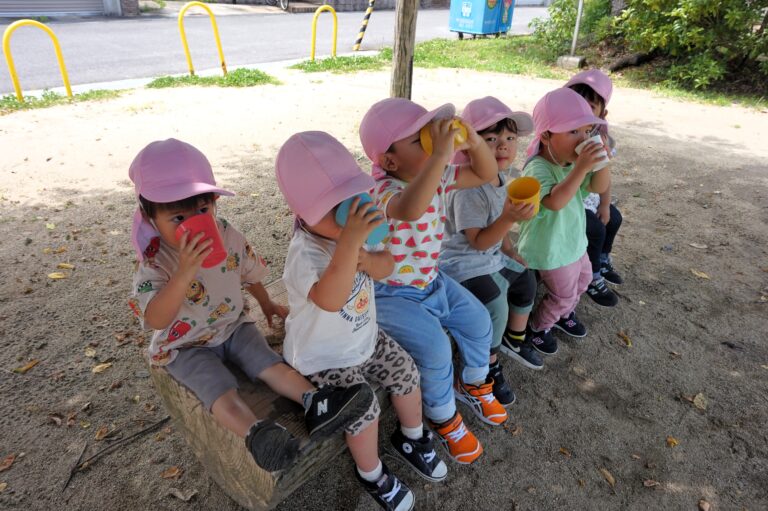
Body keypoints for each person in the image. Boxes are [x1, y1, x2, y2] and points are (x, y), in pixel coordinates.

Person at [128, 138, 373, 472]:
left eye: (203, 210)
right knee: (218, 389)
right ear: (150, 216)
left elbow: (246, 270)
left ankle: (317, 402)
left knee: (267, 362)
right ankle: (258, 434)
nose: (196, 222)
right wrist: (184, 272)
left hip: (232, 324)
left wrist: (266, 302)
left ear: (214, 202)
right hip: (184, 345)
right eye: (178, 217)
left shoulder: (225, 233)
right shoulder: (155, 262)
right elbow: (158, 319)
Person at [275, 131, 446, 511]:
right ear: (302, 214)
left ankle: (413, 436)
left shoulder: (356, 231)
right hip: (324, 356)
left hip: (364, 338)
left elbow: (388, 265)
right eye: (332, 205)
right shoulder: (307, 252)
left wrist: (367, 258)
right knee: (364, 409)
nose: (347, 210)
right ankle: (372, 474)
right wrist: (351, 243)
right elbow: (331, 300)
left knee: (406, 371)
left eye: (350, 197)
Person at [359, 98, 502, 465]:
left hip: (430, 280)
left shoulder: (436, 173)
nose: (430, 140)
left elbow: (485, 173)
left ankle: (473, 382)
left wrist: (472, 141)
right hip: (390, 293)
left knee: (478, 320)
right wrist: (439, 157)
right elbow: (410, 208)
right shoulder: (382, 189)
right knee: (436, 349)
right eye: (418, 138)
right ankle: (443, 416)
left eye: (430, 132)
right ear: (390, 161)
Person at [440, 97, 543, 409]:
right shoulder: (468, 188)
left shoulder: (501, 177)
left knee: (526, 278)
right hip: (461, 263)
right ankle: (490, 362)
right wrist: (509, 220)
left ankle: (514, 338)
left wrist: (511, 249)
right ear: (471, 146)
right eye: (491, 139)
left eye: (510, 138)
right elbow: (479, 242)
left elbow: (496, 240)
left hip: (489, 255)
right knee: (496, 303)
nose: (503, 146)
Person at [517, 88, 612, 355]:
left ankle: (563, 314)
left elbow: (598, 187)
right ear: (546, 135)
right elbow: (553, 202)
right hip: (551, 250)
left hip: (572, 243)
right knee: (564, 295)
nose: (582, 139)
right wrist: (582, 167)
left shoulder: (569, 164)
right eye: (573, 132)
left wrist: (601, 162)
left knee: (582, 283)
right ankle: (538, 328)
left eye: (586, 131)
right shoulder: (537, 168)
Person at [565, 69, 624, 307]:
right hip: (565, 198)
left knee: (614, 218)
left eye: (590, 106)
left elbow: (603, 181)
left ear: (602, 113)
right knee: (596, 229)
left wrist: (605, 204)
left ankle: (601, 259)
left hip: (586, 195)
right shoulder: (559, 135)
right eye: (575, 102)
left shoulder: (601, 138)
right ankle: (593, 276)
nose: (582, 110)